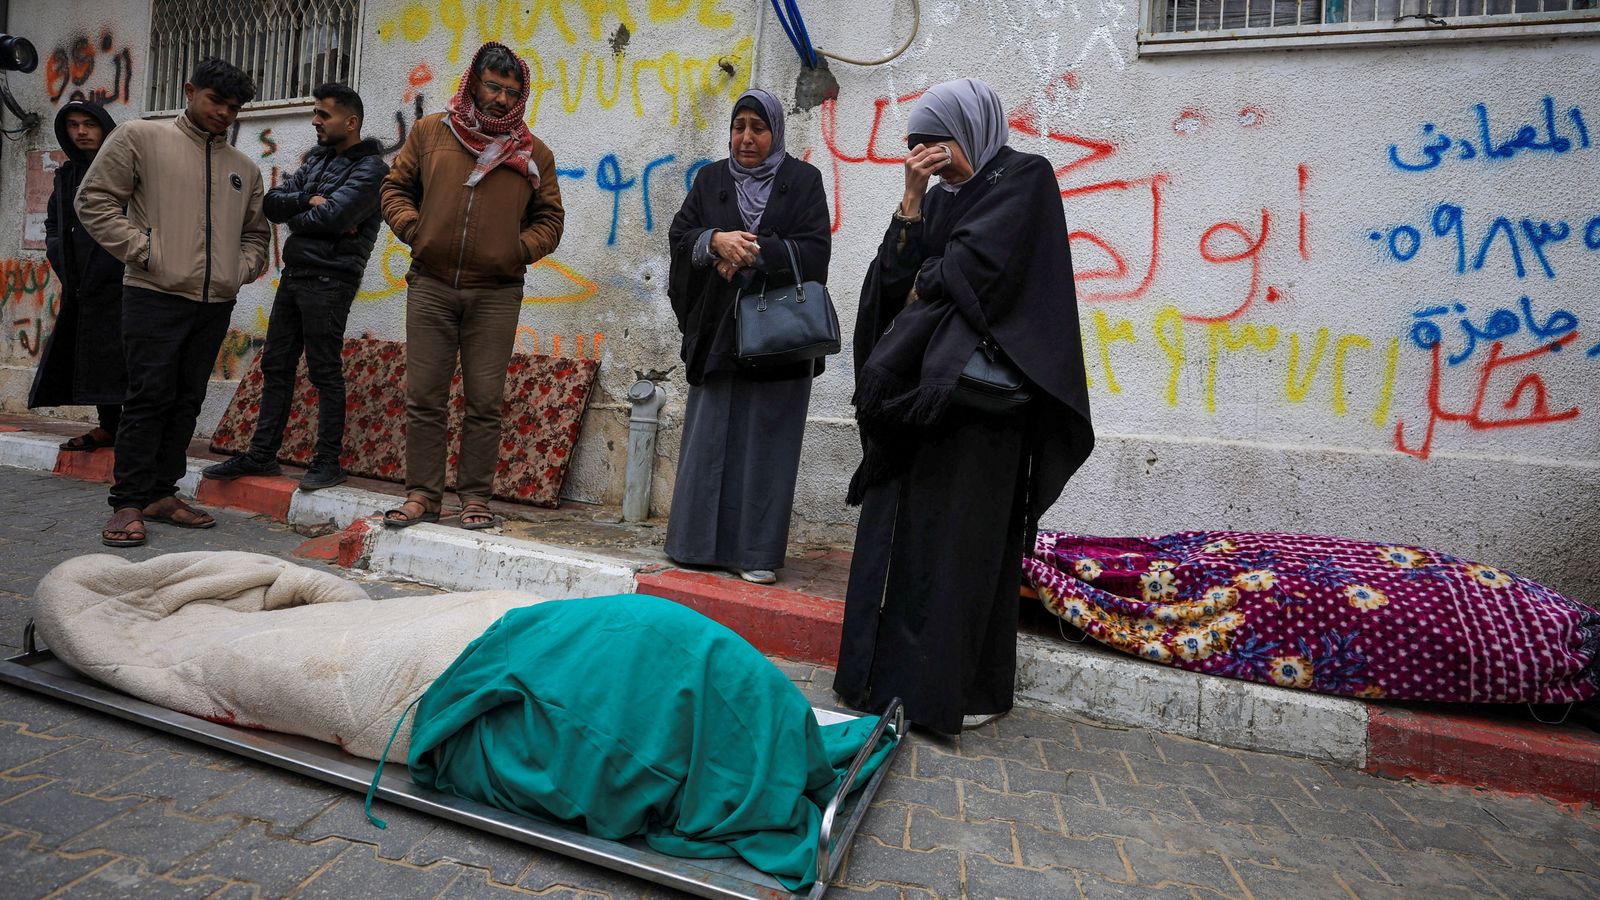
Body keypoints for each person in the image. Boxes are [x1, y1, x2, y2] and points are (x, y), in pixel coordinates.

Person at [834, 79, 1095, 734]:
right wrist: (913, 201)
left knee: (966, 553)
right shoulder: (940, 199)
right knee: (908, 547)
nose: (927, 154)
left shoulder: (1024, 179)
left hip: (985, 414)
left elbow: (973, 274)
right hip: (925, 406)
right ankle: (885, 686)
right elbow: (894, 284)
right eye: (916, 145)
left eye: (936, 142)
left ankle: (965, 693)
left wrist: (930, 277)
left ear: (970, 130)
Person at [76, 57, 271, 548]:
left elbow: (256, 235)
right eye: (215, 100)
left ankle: (162, 493)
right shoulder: (141, 137)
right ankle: (127, 503)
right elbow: (94, 201)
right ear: (189, 90)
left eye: (233, 106)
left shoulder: (244, 169)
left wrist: (237, 268)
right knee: (148, 397)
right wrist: (145, 252)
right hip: (153, 294)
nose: (224, 112)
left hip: (213, 302)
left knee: (187, 400)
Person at [380, 41, 564, 531]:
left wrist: (513, 251)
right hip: (431, 286)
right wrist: (417, 231)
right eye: (493, 86)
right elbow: (394, 188)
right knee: (424, 397)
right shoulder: (430, 132)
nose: (501, 99)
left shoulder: (533, 153)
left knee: (485, 401)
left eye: (511, 91)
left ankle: (475, 499)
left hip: (496, 294)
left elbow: (550, 220)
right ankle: (422, 495)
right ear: (473, 83)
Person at [663, 88, 831, 585]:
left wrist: (753, 252)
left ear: (775, 132)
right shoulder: (711, 179)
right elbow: (680, 235)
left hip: (778, 339)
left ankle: (755, 553)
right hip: (718, 331)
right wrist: (714, 240)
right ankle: (695, 545)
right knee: (711, 436)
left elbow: (816, 251)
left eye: (758, 128)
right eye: (739, 127)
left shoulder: (803, 180)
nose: (747, 138)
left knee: (767, 443)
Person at [202, 83, 388, 492]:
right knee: (276, 365)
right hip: (296, 275)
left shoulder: (372, 169)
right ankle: (263, 455)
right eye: (315, 113)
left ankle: (327, 462)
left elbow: (335, 219)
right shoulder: (318, 159)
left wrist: (304, 212)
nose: (316, 121)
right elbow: (272, 204)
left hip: (331, 279)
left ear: (350, 122)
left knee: (324, 370)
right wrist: (312, 201)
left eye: (324, 115)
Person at [28, 101, 125, 451]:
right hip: (81, 286)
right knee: (92, 353)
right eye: (73, 125)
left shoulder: (125, 170)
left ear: (105, 128)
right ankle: (109, 425)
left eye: (89, 124)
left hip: (123, 284)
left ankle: (132, 430)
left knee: (126, 357)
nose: (81, 132)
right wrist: (57, 252)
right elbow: (54, 222)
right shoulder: (67, 175)